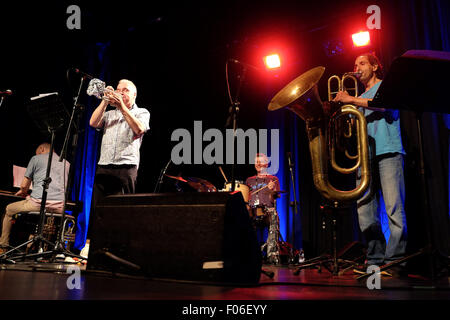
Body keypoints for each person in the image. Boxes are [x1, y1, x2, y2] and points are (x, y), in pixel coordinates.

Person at [333, 53, 407, 276]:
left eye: (362, 63)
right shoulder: (360, 96)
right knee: (365, 210)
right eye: (354, 64)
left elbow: (384, 106)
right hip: (365, 158)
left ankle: (396, 261)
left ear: (375, 66)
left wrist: (351, 101)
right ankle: (375, 259)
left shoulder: (385, 86)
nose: (357, 67)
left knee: (394, 208)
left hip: (388, 153)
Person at [88, 79, 150, 234]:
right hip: (104, 166)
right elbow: (93, 123)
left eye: (126, 90)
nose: (121, 92)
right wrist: (104, 101)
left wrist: (122, 106)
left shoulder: (142, 112)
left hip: (126, 167)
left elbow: (139, 129)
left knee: (122, 213)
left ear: (134, 95)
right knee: (100, 211)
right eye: (118, 89)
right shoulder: (109, 114)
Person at [0, 143, 69, 253]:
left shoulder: (36, 159)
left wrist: (23, 191)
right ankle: (34, 244)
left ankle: (3, 246)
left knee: (9, 209)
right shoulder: (67, 163)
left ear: (41, 149)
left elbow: (23, 185)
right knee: (32, 207)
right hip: (59, 206)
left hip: (38, 204)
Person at [246, 153, 281, 264]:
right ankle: (251, 254)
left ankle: (272, 254)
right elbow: (246, 198)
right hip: (253, 210)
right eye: (256, 162)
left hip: (268, 210)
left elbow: (273, 198)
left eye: (260, 161)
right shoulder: (249, 180)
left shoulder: (273, 179)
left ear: (266, 163)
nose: (258, 164)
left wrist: (272, 189)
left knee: (274, 216)